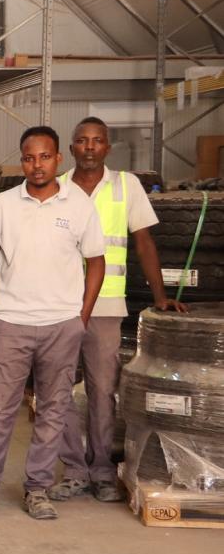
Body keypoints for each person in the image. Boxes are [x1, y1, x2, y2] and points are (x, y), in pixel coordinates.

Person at [0, 127, 105, 521]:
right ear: (22, 161)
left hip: (62, 324)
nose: (37, 165)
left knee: (52, 409)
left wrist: (81, 316)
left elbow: (96, 261)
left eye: (45, 157)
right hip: (11, 323)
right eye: (29, 158)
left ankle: (37, 489)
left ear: (58, 159)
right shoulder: (1, 205)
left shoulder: (78, 204)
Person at [53, 117, 185, 503]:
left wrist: (159, 296)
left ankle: (101, 470)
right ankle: (73, 470)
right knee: (58, 389)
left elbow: (143, 242)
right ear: (71, 148)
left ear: (107, 148)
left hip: (107, 304)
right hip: (59, 304)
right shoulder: (57, 188)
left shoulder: (127, 186)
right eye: (82, 140)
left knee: (102, 390)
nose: (89, 147)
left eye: (97, 141)